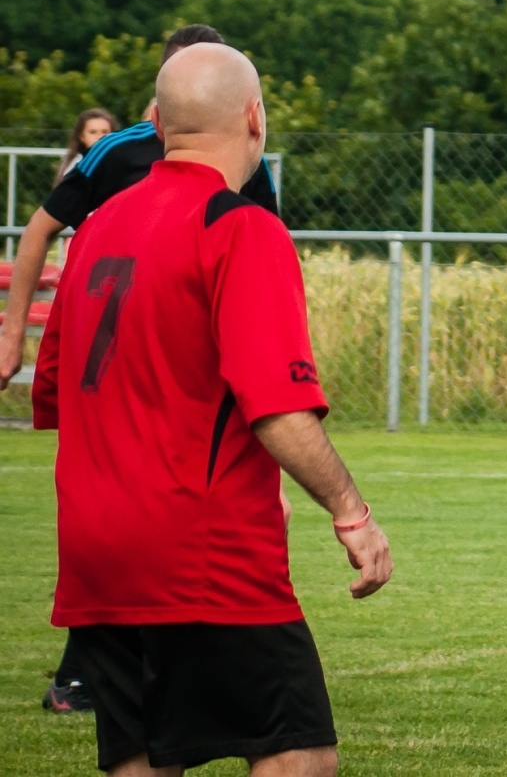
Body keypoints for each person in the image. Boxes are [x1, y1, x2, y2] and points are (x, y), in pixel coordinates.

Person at [32, 42, 392, 776]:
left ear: (157, 123)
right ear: (255, 118)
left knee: (142, 758)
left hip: (95, 547)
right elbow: (280, 409)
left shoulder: (98, 227)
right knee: (300, 751)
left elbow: (57, 387)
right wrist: (351, 512)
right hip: (201, 548)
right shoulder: (239, 225)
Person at [4, 25, 279, 716]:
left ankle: (127, 676)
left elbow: (261, 257)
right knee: (140, 507)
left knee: (140, 510)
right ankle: (93, 672)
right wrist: (13, 335)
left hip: (175, 366)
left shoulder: (249, 172)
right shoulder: (120, 154)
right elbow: (40, 228)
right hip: (122, 363)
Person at [54, 109, 120, 185]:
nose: (99, 137)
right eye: (92, 132)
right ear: (81, 136)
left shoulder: (121, 162)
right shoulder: (77, 165)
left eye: (104, 132)